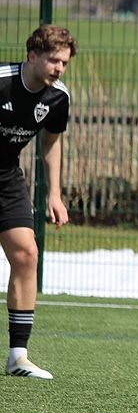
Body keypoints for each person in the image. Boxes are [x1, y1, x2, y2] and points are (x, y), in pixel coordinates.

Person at [2, 25, 76, 380]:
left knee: (27, 254)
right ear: (32, 56)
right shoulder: (2, 81)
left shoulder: (58, 98)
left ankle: (18, 357)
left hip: (6, 175)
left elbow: (51, 142)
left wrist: (55, 194)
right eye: (53, 60)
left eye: (64, 62)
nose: (59, 68)